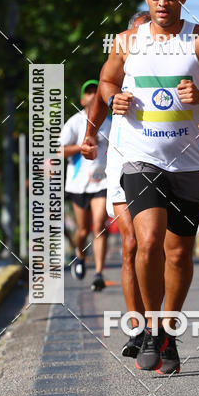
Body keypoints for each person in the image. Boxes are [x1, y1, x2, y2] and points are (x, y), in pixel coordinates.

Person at [100, 0, 199, 373]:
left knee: (178, 254)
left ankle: (168, 332)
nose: (163, 2)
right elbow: (106, 81)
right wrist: (113, 99)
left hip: (188, 164)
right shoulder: (127, 41)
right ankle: (150, 328)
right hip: (141, 159)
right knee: (149, 240)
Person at [82, 11, 151, 361]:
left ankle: (158, 324)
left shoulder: (175, 59)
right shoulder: (119, 63)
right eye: (136, 33)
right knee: (131, 244)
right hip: (123, 160)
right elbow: (100, 94)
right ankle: (137, 328)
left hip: (165, 162)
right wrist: (89, 136)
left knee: (157, 247)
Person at [60, 80, 110, 290]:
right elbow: (59, 150)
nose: (92, 95)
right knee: (82, 230)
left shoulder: (110, 122)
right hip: (78, 184)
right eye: (88, 92)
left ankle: (98, 273)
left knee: (99, 226)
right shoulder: (74, 122)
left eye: (95, 92)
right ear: (82, 100)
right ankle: (79, 255)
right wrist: (81, 147)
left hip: (103, 181)